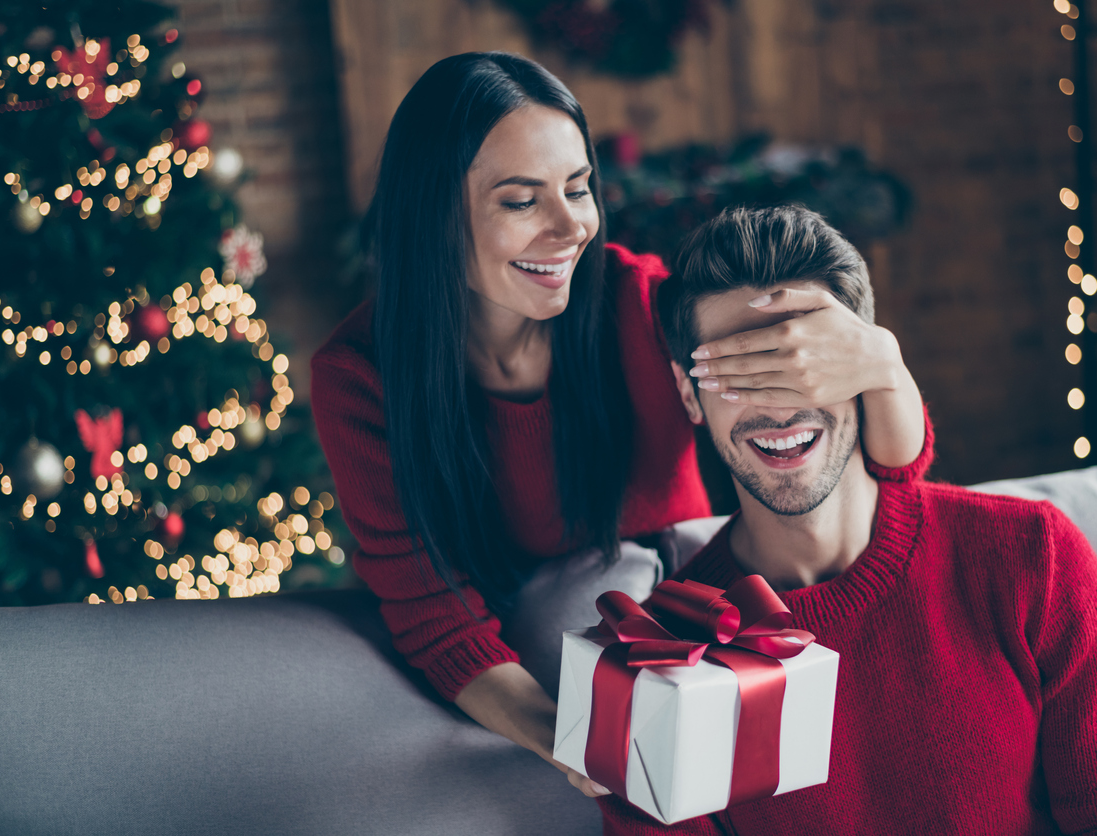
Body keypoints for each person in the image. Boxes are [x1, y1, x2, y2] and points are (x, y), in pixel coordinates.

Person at [309, 52, 931, 798]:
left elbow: (893, 470)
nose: (571, 226)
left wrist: (879, 364)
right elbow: (432, 613)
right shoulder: (360, 377)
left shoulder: (639, 303)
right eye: (520, 201)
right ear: (435, 213)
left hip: (700, 617)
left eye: (578, 189)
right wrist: (575, 740)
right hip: (542, 651)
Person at [594, 203, 1097, 834]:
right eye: (736, 373)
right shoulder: (667, 652)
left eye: (802, 363)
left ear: (865, 367)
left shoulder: (1027, 557)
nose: (779, 405)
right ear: (688, 393)